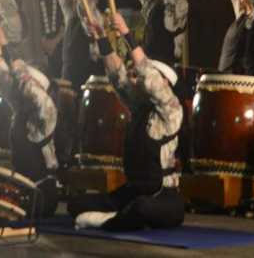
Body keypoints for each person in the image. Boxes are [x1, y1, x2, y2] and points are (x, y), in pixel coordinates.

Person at [68, 12, 184, 231]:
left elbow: (150, 80)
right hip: (133, 190)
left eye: (141, 75)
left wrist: (127, 34)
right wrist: (102, 37)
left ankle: (106, 220)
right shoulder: (140, 106)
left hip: (163, 197)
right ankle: (118, 216)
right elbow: (118, 76)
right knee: (77, 204)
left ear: (165, 82)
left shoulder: (172, 110)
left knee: (141, 208)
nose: (137, 77)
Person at [0, 23, 59, 217]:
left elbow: (25, 84)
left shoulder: (45, 112)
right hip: (22, 187)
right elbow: (5, 80)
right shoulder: (22, 108)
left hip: (40, 194)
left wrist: (6, 44)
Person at [35, 0, 64, 78]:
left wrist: (55, 41)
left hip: (59, 45)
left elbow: (67, 18)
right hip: (39, 46)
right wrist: (41, 41)